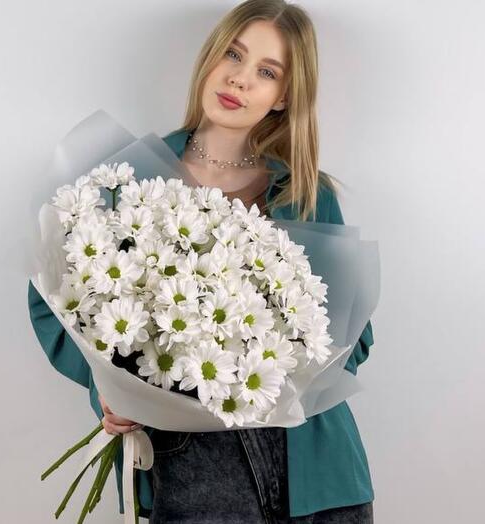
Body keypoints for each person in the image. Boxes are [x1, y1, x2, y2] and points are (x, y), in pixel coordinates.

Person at [28, 0, 376, 522]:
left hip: (316, 473)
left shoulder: (305, 193)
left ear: (284, 96)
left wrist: (275, 376)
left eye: (267, 72)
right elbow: (56, 302)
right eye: (233, 54)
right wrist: (110, 391)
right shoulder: (125, 180)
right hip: (188, 472)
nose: (240, 78)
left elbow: (354, 337)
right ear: (210, 57)